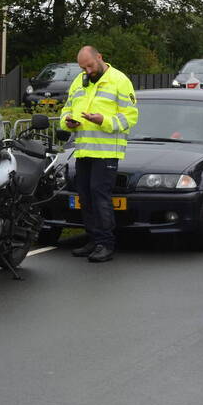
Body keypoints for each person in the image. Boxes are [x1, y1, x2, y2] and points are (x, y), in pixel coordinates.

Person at [59, 46, 138, 263]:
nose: (87, 71)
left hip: (106, 151)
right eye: (83, 68)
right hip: (83, 150)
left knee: (99, 195)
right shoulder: (79, 81)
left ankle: (106, 243)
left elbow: (130, 117)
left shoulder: (119, 80)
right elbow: (66, 109)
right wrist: (67, 122)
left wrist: (103, 120)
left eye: (90, 66)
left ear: (100, 57)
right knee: (85, 196)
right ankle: (93, 240)